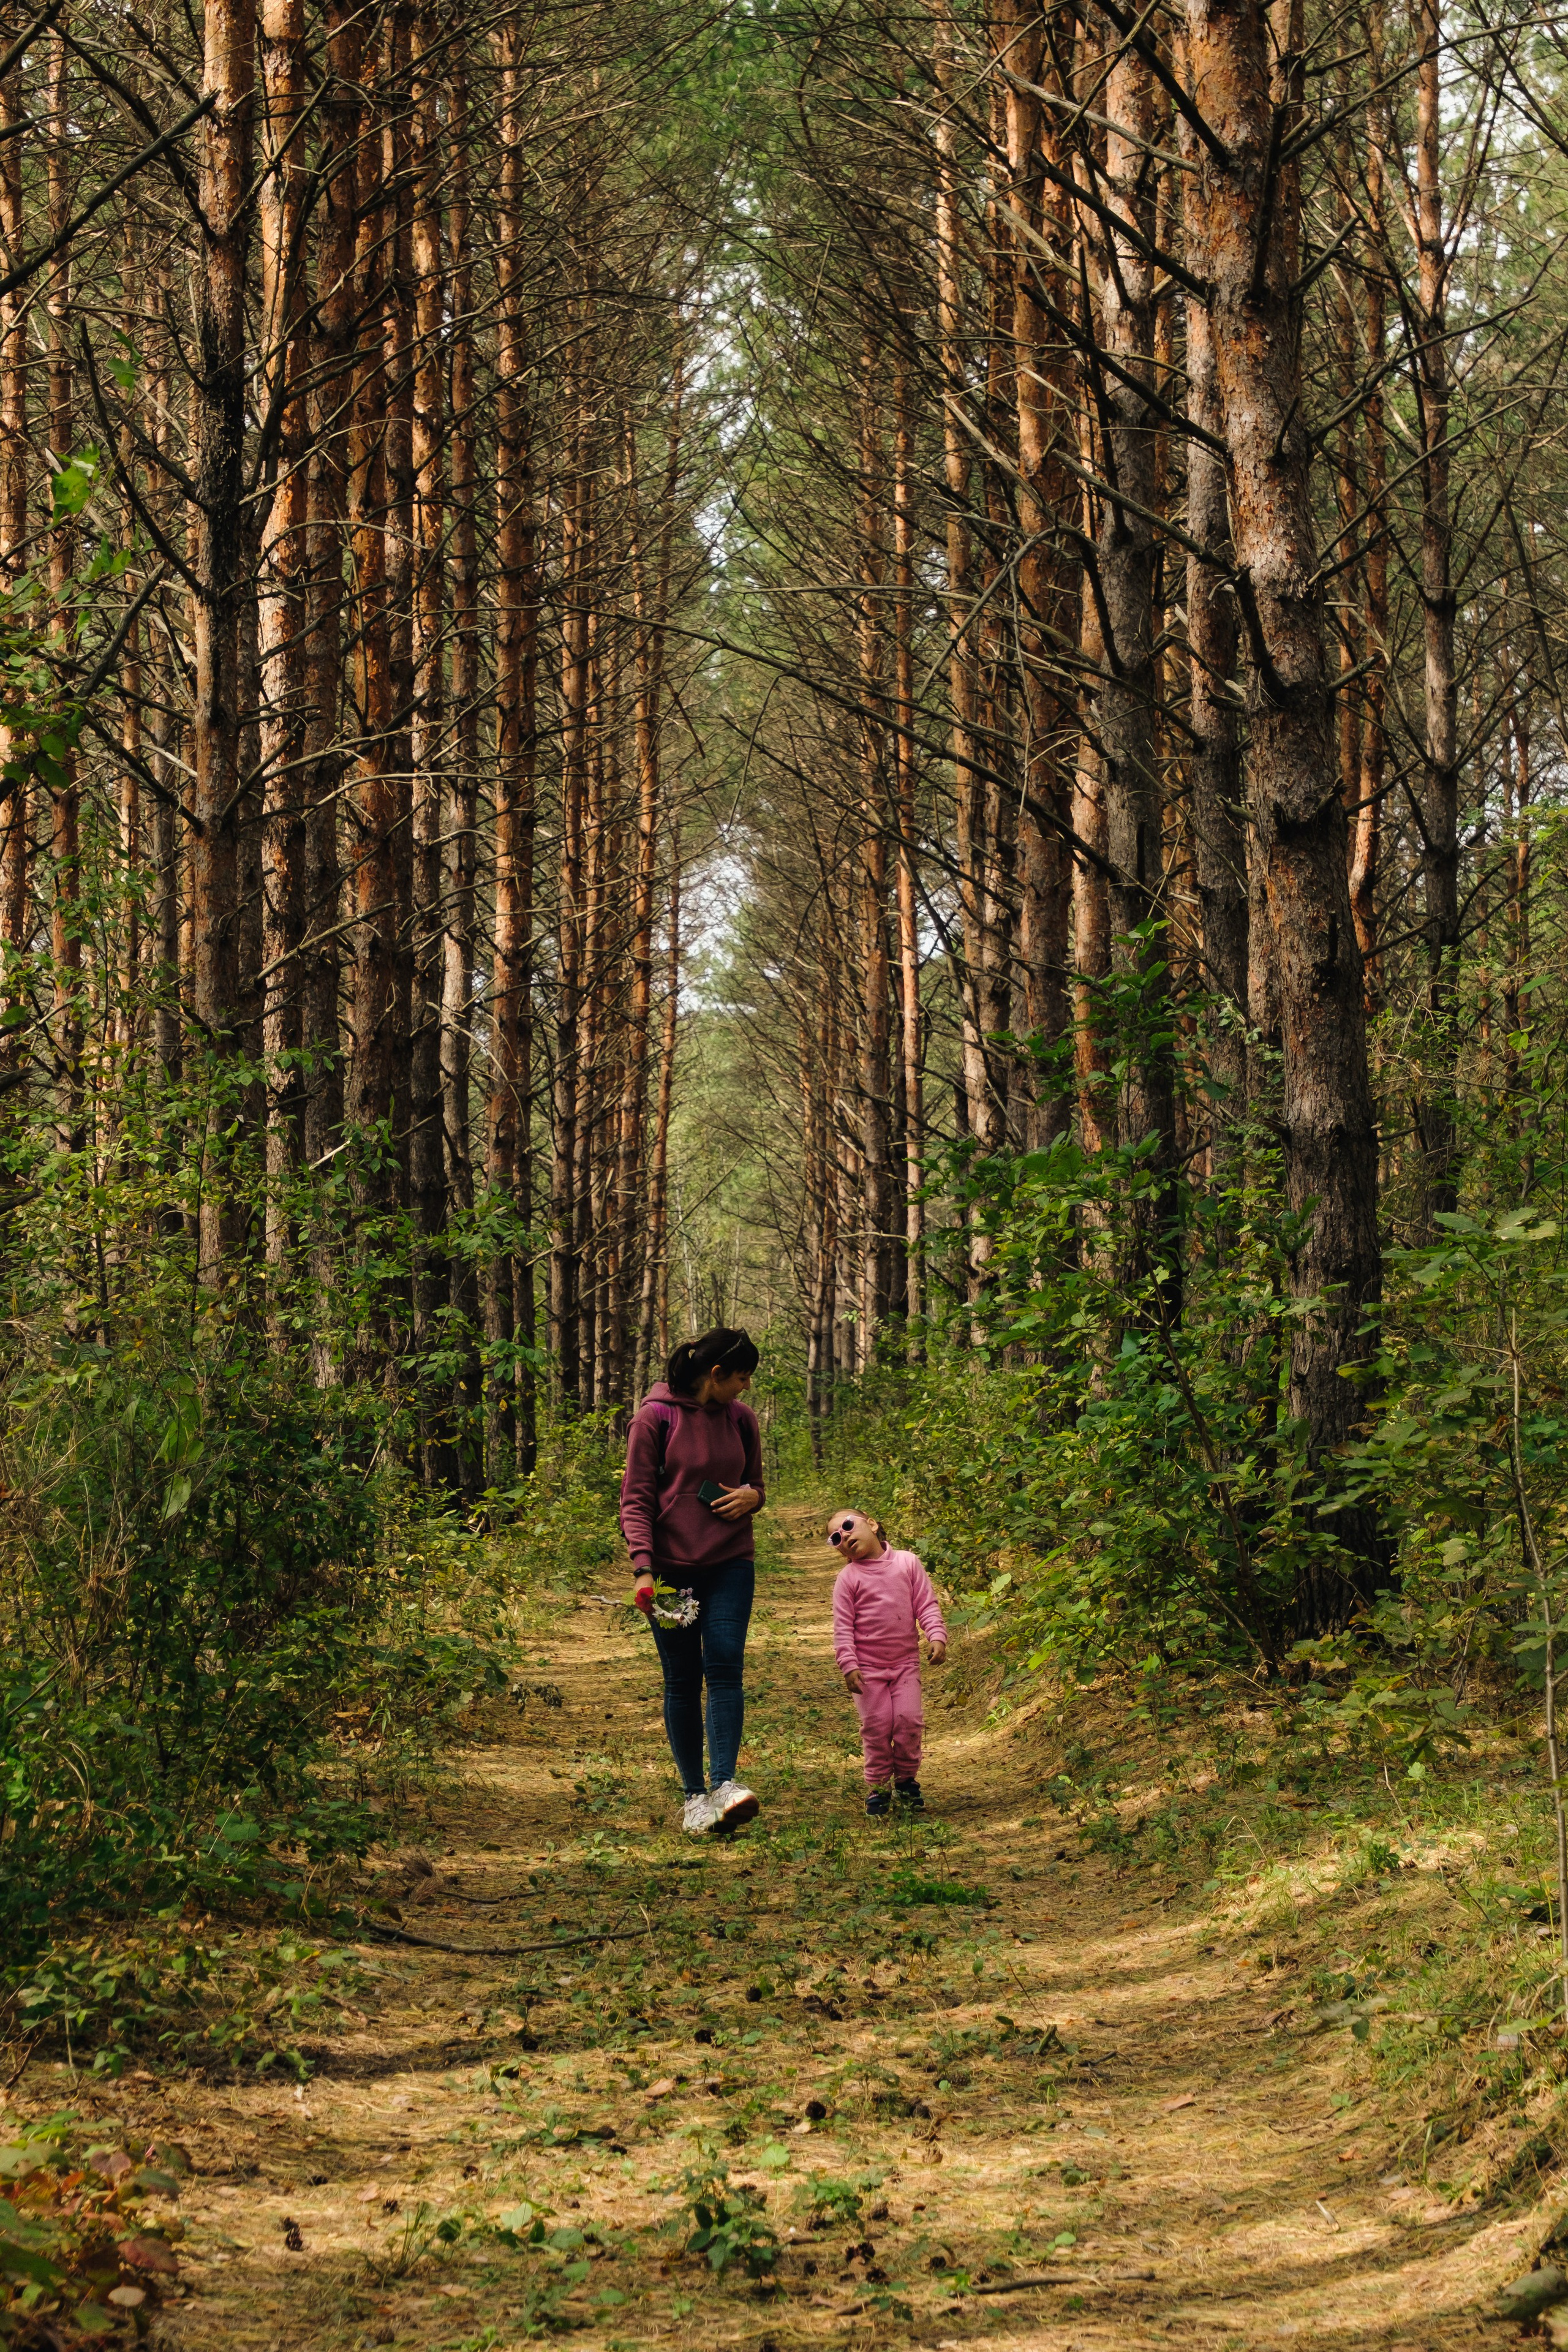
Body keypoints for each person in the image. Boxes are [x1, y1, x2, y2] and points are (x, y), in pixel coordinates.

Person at [620, 1326, 765, 1834]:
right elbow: (635, 1498)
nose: (747, 1387)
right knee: (682, 1678)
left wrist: (753, 1498)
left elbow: (757, 1485)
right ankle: (694, 1798)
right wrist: (643, 1568)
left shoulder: (742, 1420)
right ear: (716, 1373)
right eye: (742, 1377)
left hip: (730, 1561)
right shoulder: (654, 1418)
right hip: (668, 1571)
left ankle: (725, 1784)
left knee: (725, 1664)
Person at [829, 1508, 948, 1817]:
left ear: (872, 1523)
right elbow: (843, 1628)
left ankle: (907, 1781)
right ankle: (878, 1788)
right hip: (867, 1670)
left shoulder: (907, 1563)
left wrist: (936, 1636)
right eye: (836, 1538)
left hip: (905, 1663)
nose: (845, 1536)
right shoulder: (848, 1579)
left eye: (848, 1526)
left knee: (908, 1722)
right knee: (878, 1725)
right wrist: (849, 1665)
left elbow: (926, 1604)